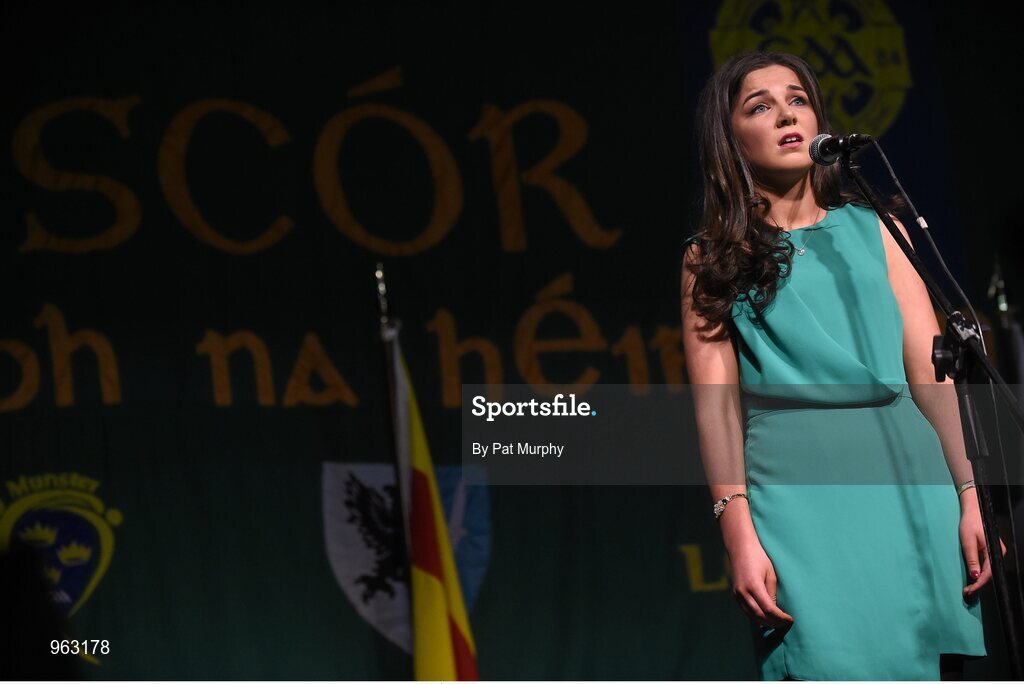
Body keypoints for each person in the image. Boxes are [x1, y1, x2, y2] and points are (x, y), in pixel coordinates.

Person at [680, 51, 1007, 680]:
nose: (786, 115)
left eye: (798, 99)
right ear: (731, 139)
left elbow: (931, 378)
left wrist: (972, 494)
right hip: (796, 494)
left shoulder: (881, 228)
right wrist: (737, 534)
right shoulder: (710, 257)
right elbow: (714, 407)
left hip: (910, 480)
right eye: (761, 106)